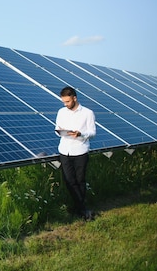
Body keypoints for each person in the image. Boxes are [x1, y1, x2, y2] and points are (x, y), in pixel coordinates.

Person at [55, 86, 96, 220]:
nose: (65, 104)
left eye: (67, 101)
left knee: (80, 181)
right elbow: (57, 128)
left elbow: (92, 132)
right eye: (63, 102)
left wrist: (80, 134)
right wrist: (60, 131)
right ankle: (82, 209)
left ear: (75, 98)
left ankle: (79, 209)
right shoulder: (61, 112)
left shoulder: (87, 113)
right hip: (64, 150)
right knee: (69, 181)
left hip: (80, 151)